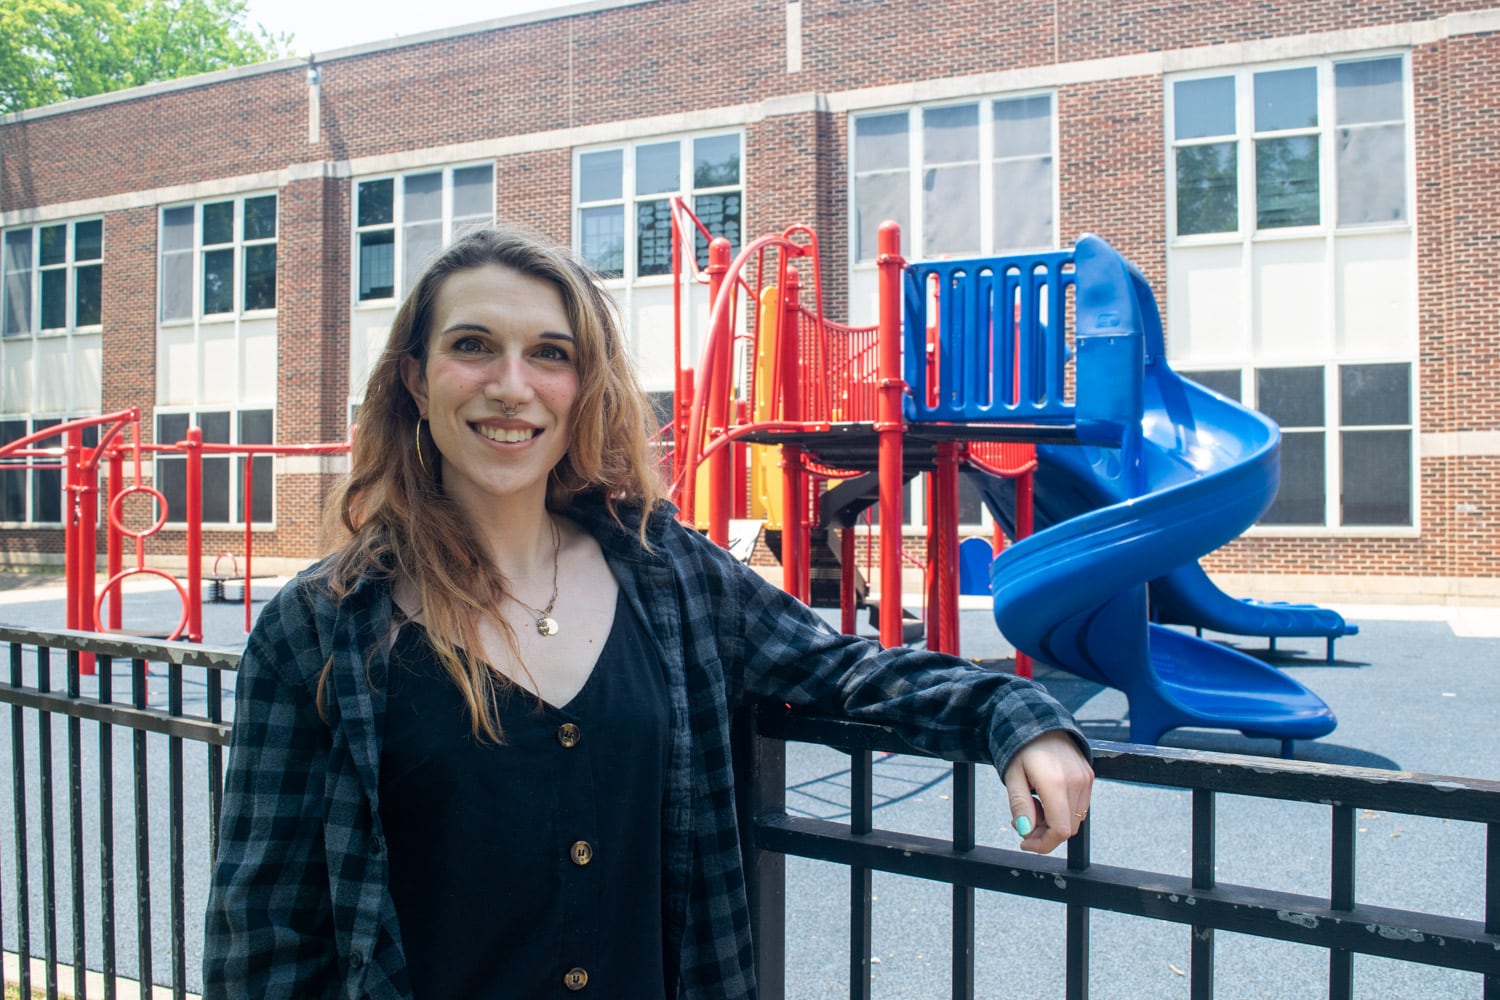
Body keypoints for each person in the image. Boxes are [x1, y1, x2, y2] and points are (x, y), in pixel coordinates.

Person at [202, 226, 1093, 999]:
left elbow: (841, 667)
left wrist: (1014, 716)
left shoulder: (667, 576)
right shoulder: (316, 631)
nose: (512, 386)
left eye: (550, 353)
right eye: (474, 345)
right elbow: (267, 940)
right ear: (413, 379)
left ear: (583, 384)